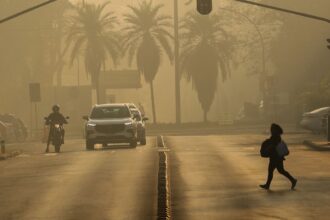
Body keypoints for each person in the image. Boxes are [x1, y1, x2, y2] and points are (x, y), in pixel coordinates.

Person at [259, 123, 297, 190]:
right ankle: (292, 180)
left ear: (275, 130)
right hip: (276, 157)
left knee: (274, 171)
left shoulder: (276, 137)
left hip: (276, 157)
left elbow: (274, 146)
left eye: (272, 129)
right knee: (280, 171)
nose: (271, 130)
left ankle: (293, 180)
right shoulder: (276, 137)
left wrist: (269, 145)